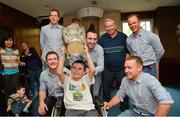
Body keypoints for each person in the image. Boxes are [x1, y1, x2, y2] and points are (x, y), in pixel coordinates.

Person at [103, 56, 174, 116]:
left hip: (151, 114)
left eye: (129, 67)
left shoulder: (150, 80)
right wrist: (109, 104)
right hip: (134, 112)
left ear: (139, 68)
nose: (126, 71)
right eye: (125, 67)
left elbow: (167, 102)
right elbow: (119, 96)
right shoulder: (125, 80)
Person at [98, 18, 129, 111]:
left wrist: (126, 66)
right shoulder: (102, 39)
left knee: (124, 90)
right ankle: (105, 108)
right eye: (107, 26)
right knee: (106, 91)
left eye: (111, 26)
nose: (109, 28)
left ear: (115, 26)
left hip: (121, 70)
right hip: (107, 70)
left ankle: (124, 108)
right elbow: (99, 53)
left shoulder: (123, 37)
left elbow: (128, 52)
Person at [57, 46, 98, 116]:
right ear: (70, 69)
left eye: (80, 68)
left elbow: (93, 70)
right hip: (71, 110)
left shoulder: (86, 79)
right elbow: (59, 72)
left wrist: (86, 53)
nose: (76, 71)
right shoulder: (66, 80)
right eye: (74, 68)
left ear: (84, 71)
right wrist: (63, 55)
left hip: (88, 109)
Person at [38, 51, 64, 116]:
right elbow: (42, 90)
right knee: (42, 110)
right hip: (52, 98)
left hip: (64, 99)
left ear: (58, 61)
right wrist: (41, 102)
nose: (52, 61)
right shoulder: (43, 74)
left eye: (55, 59)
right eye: (50, 59)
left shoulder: (66, 72)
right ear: (46, 62)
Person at [86, 27, 104, 97]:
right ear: (85, 38)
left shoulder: (99, 49)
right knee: (85, 95)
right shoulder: (80, 47)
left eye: (94, 39)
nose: (92, 41)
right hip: (83, 74)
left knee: (95, 95)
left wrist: (91, 70)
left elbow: (101, 67)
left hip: (96, 74)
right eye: (90, 38)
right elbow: (75, 63)